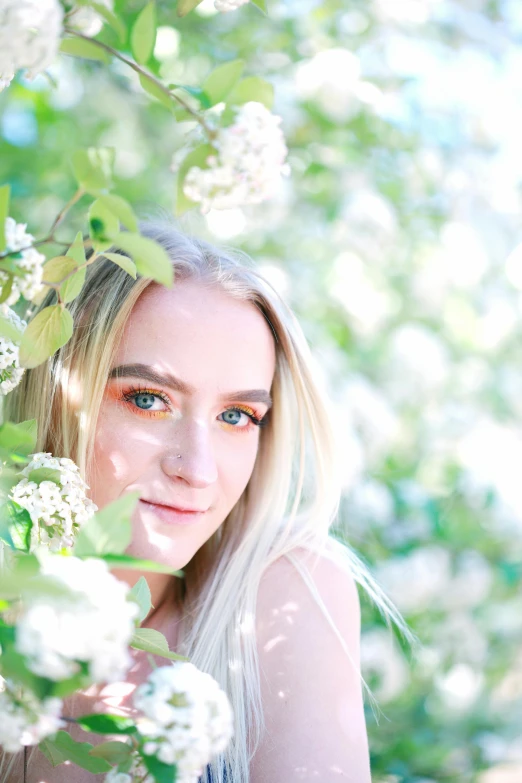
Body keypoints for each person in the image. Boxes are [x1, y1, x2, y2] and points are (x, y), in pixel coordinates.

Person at [1, 221, 407, 782]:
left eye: (236, 417)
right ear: (53, 397)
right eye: (147, 400)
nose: (197, 469)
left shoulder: (282, 591)